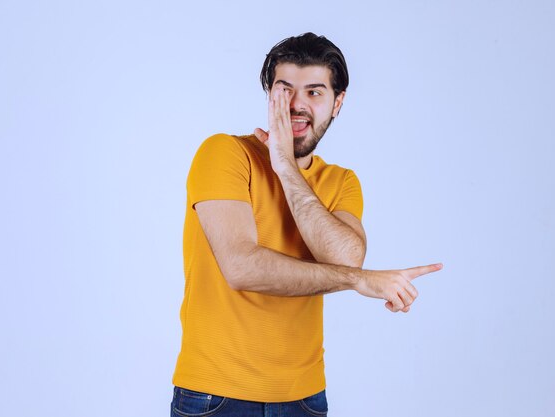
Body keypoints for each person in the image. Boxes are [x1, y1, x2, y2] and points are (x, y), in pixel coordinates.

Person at [170, 32, 442, 417]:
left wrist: (284, 165)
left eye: (315, 92)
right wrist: (356, 280)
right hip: (215, 396)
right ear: (269, 94)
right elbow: (242, 267)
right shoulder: (224, 153)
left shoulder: (342, 182)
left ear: (338, 103)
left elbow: (347, 258)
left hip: (305, 400)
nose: (297, 105)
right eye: (285, 90)